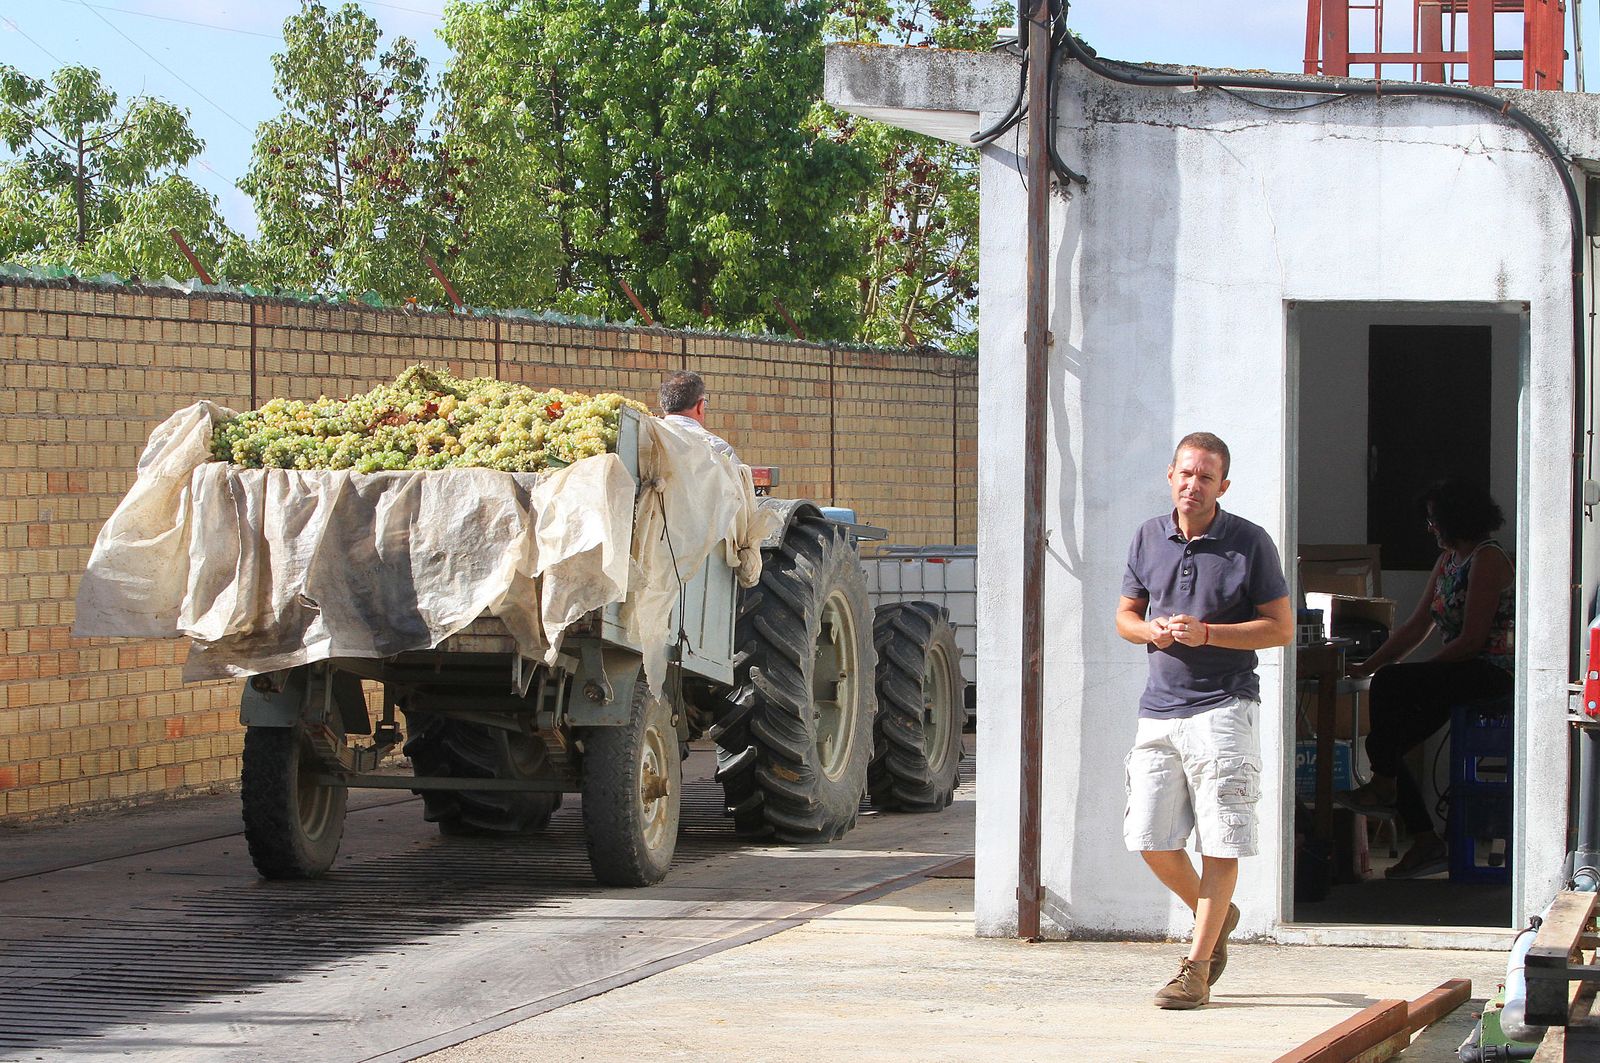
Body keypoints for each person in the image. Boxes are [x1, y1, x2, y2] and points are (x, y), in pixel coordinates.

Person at [1115, 432, 1293, 1010]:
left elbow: (1281, 628)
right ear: (1171, 475)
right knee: (1149, 838)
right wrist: (1151, 631)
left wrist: (1210, 633)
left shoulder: (1249, 543)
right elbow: (1126, 615)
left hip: (1224, 707)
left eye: (1207, 478)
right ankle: (1214, 916)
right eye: (1186, 474)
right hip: (1159, 710)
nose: (1194, 486)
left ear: (1224, 486)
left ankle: (1195, 966)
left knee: (1222, 840)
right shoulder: (1147, 535)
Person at [1333, 479, 1514, 880]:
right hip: (1459, 667)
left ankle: (1395, 800)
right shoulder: (1449, 560)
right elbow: (1417, 627)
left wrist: (1418, 673)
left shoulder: (1488, 559)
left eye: (1435, 520)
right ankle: (1423, 837)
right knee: (1388, 734)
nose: (1430, 528)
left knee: (1389, 703)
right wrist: (1370, 666)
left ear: (1456, 519)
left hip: (1491, 672)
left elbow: (1471, 641)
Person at [659, 370, 738, 461]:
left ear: (662, 405)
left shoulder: (647, 436)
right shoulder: (718, 448)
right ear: (700, 405)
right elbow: (739, 474)